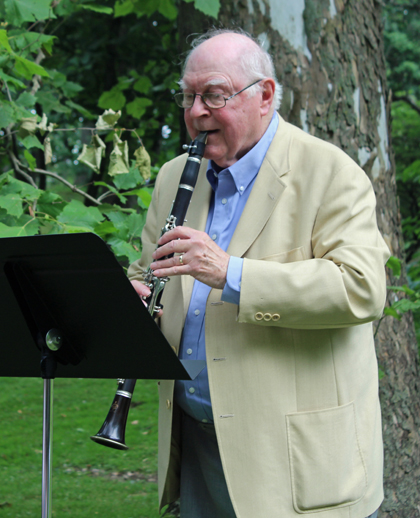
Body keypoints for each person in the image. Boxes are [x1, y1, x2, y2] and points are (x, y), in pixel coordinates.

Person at [128, 28, 389, 518]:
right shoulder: (172, 178)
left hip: (296, 461)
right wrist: (134, 302)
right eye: (188, 96)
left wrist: (231, 272)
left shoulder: (330, 172)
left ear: (264, 95)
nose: (196, 112)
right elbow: (150, 274)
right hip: (199, 448)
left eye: (213, 95)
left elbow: (362, 289)